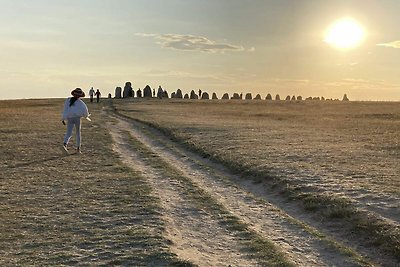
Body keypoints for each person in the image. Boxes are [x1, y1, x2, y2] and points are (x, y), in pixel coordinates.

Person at [62, 88, 90, 154]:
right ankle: (78, 149)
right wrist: (86, 116)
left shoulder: (68, 100)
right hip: (77, 118)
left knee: (69, 132)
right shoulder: (81, 103)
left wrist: (63, 118)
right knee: (78, 133)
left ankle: (65, 144)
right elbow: (86, 112)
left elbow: (65, 109)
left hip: (70, 118)